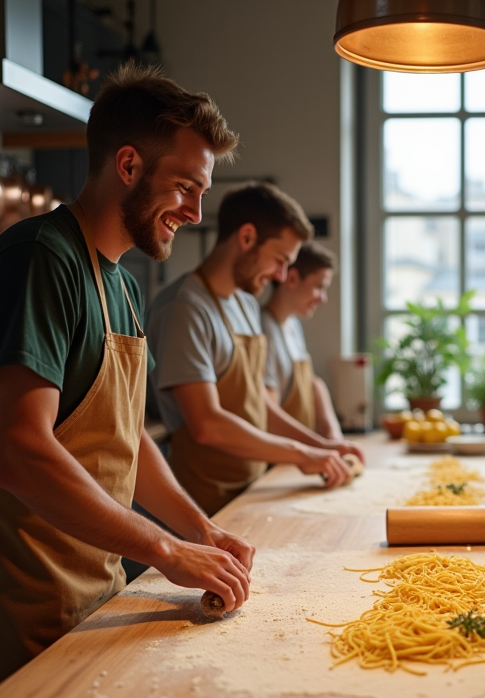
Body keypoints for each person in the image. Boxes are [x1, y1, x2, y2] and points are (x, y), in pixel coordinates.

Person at [0, 64, 255, 698]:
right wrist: (165, 550)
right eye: (185, 187)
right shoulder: (39, 259)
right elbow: (20, 455)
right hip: (17, 586)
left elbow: (127, 432)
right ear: (128, 165)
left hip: (90, 578)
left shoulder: (122, 285)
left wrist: (200, 532)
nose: (194, 212)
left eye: (202, 192)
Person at [147, 182, 363, 516]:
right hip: (203, 502)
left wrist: (322, 446)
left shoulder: (246, 305)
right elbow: (207, 424)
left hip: (250, 489)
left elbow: (258, 402)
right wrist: (301, 453)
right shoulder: (185, 308)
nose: (281, 275)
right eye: (279, 260)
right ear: (246, 238)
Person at [262, 241, 344, 440]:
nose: (323, 299)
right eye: (318, 287)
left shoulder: (293, 325)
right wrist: (319, 447)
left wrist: (334, 438)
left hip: (299, 449)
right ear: (292, 278)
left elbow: (313, 385)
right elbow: (267, 413)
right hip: (279, 454)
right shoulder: (262, 330)